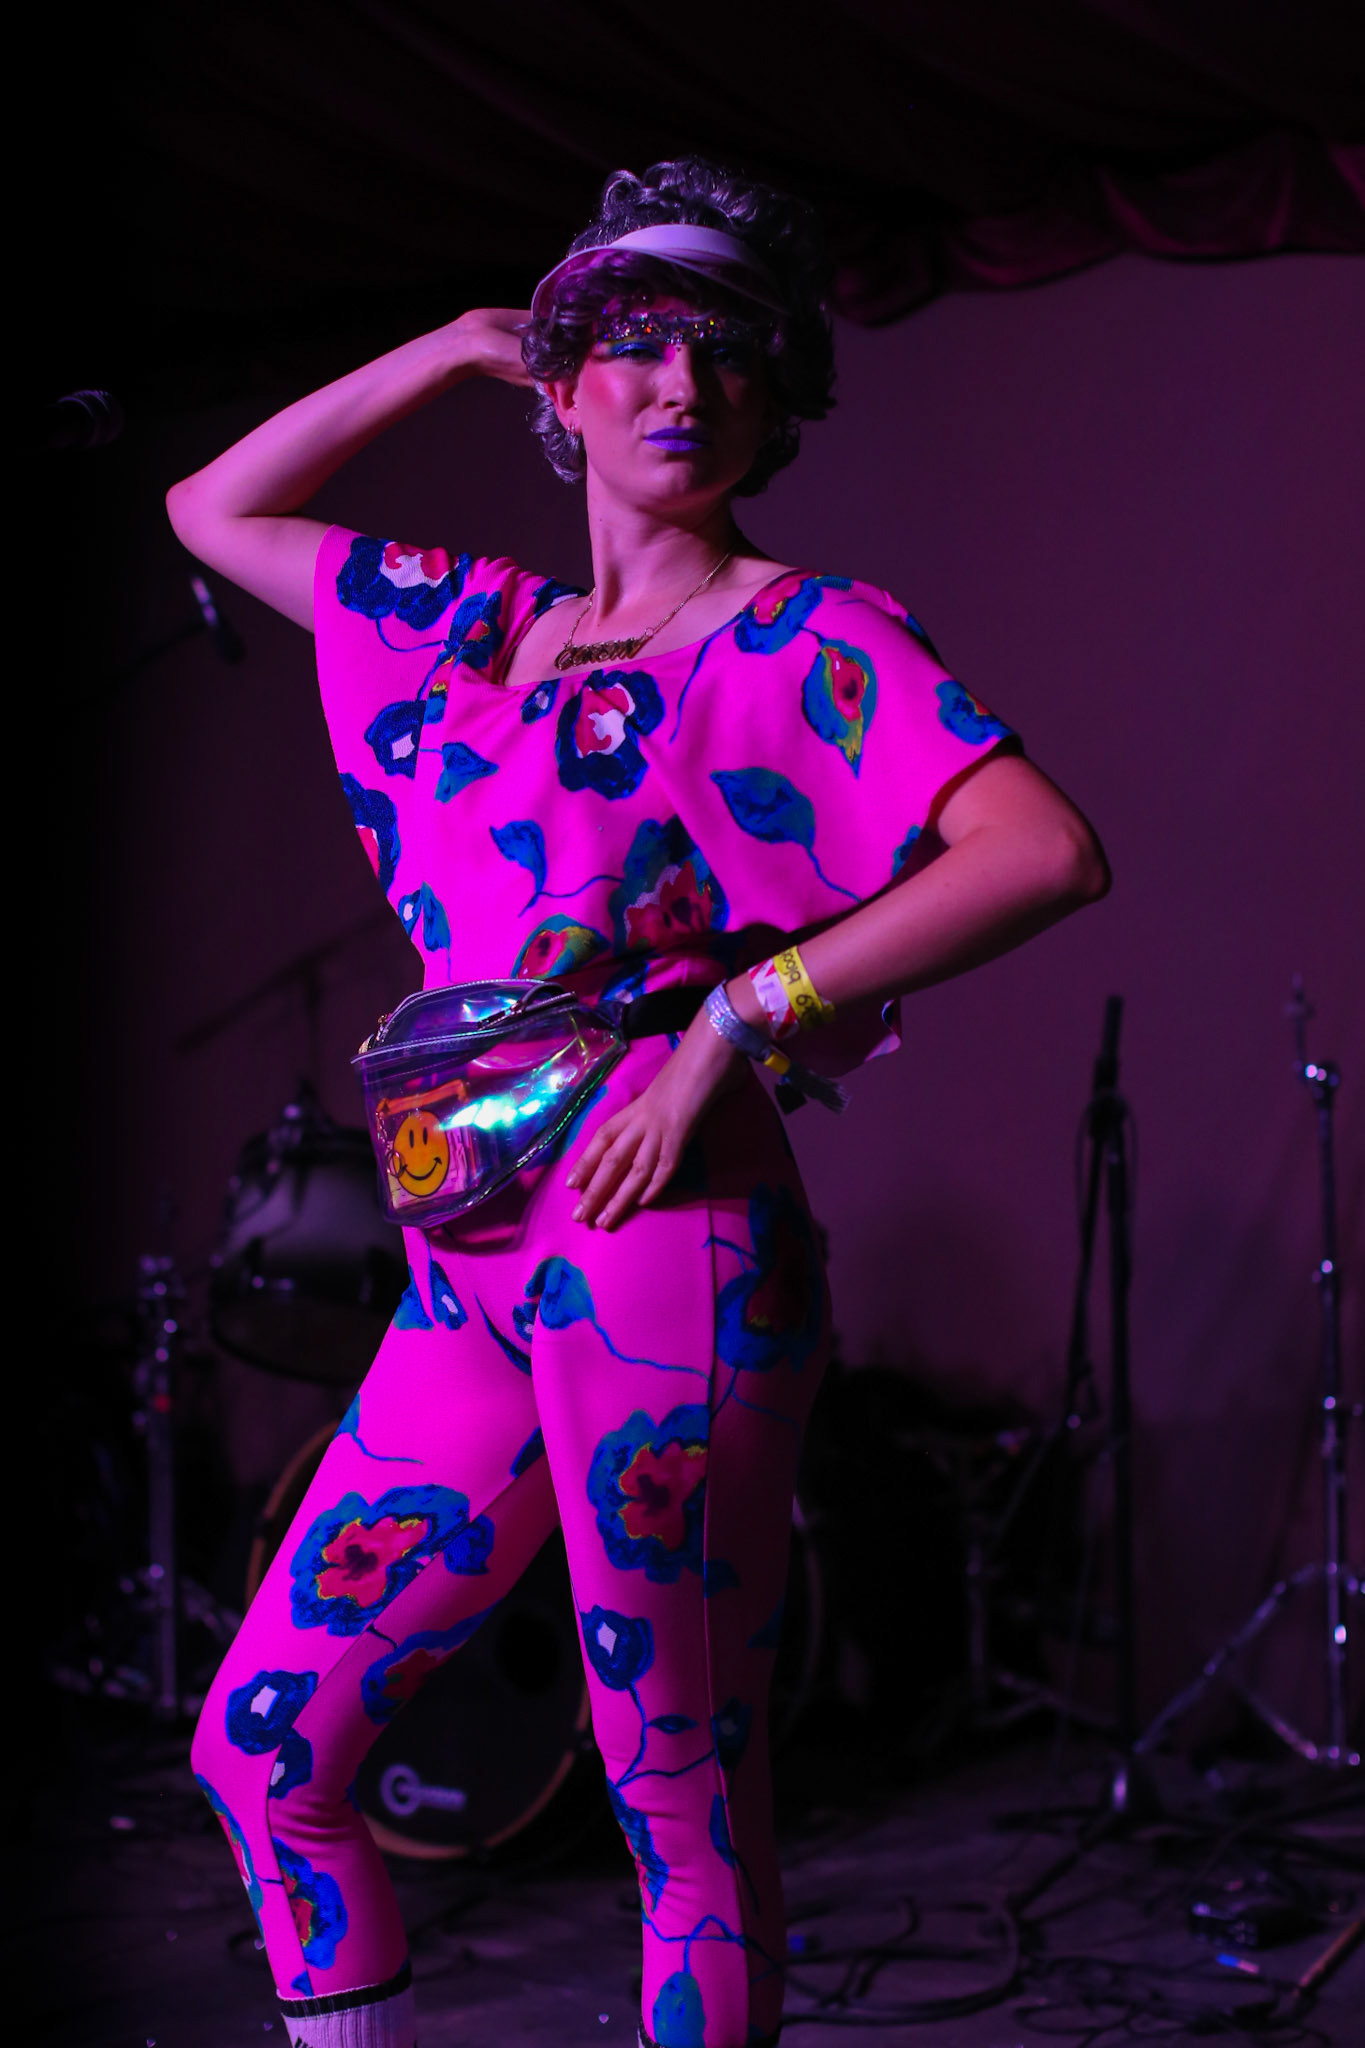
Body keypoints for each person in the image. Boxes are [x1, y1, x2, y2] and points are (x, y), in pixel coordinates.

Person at [170, 156, 1109, 2048]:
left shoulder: (799, 639)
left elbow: (1041, 851)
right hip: (467, 1266)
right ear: (566, 376)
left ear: (779, 397)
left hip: (661, 1246)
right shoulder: (460, 628)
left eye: (733, 354)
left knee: (678, 1808)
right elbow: (212, 507)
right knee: (266, 1750)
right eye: (641, 343)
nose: (687, 386)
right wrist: (449, 346)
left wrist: (733, 1023)